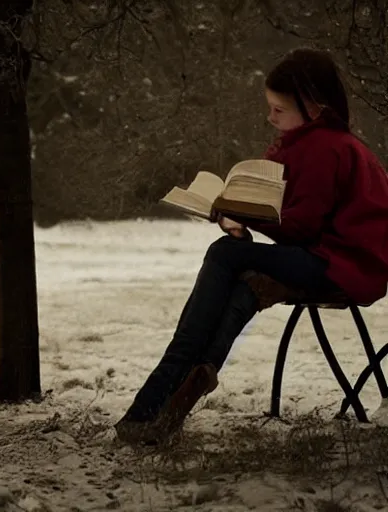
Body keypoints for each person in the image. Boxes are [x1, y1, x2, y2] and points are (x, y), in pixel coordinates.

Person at [114, 47, 388, 445]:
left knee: (224, 254)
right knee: (246, 285)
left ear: (311, 106)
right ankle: (193, 378)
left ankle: (162, 387)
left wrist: (243, 218)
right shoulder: (306, 144)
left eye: (278, 110)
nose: (270, 118)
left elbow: (302, 226)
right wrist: (235, 218)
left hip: (345, 264)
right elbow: (293, 223)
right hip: (324, 257)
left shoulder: (328, 147)